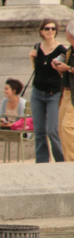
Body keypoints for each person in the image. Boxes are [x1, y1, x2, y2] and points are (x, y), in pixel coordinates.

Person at [29, 19, 66, 163]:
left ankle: (60, 160)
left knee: (52, 130)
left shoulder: (61, 50)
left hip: (54, 93)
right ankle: (42, 162)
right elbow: (37, 71)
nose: (50, 31)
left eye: (53, 28)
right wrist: (31, 59)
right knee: (39, 131)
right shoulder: (37, 47)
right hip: (37, 93)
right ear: (41, 32)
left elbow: (61, 72)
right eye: (47, 28)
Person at [53, 21, 74, 161]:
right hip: (66, 93)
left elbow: (70, 70)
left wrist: (69, 69)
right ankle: (68, 162)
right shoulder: (69, 51)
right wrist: (59, 68)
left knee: (67, 127)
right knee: (61, 128)